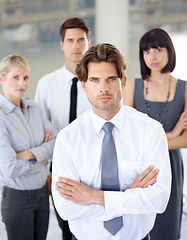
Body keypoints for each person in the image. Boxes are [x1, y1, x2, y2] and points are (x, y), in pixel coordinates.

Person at [52, 43, 171, 240]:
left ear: (123, 82)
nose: (104, 88)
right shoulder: (68, 138)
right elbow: (66, 208)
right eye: (94, 80)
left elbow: (158, 200)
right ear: (84, 85)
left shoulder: (151, 130)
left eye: (111, 79)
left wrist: (94, 197)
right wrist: (129, 196)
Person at [123, 28, 187, 240]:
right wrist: (171, 134)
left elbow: (186, 140)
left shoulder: (185, 89)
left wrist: (158, 141)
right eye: (146, 51)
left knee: (167, 227)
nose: (152, 56)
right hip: (139, 167)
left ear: (169, 51)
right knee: (137, 226)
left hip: (171, 167)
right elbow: (126, 136)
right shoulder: (132, 86)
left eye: (158, 50)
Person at [35, 17, 92, 240]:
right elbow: (42, 134)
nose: (76, 46)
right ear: (62, 44)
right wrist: (48, 172)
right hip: (59, 169)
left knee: (92, 228)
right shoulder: (46, 84)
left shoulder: (97, 83)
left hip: (91, 166)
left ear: (89, 42)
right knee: (66, 228)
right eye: (70, 40)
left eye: (81, 40)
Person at [0, 54, 56, 240]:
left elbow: (54, 144)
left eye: (25, 77)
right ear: (1, 79)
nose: (22, 83)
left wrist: (26, 154)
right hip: (17, 199)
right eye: (15, 77)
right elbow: (9, 168)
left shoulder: (35, 107)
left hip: (41, 195)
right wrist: (40, 159)